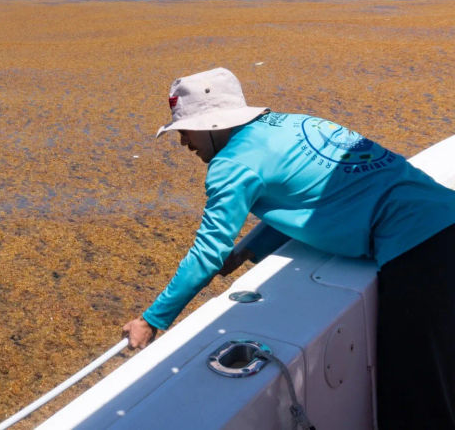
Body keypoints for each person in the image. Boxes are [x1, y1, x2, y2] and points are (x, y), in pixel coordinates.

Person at [121, 67, 455, 428]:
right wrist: (247, 251)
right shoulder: (292, 124)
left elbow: (207, 252)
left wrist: (152, 320)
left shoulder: (231, 164)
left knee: (415, 395)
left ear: (212, 125)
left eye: (185, 131)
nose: (183, 141)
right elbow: (306, 195)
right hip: (444, 213)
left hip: (420, 245)